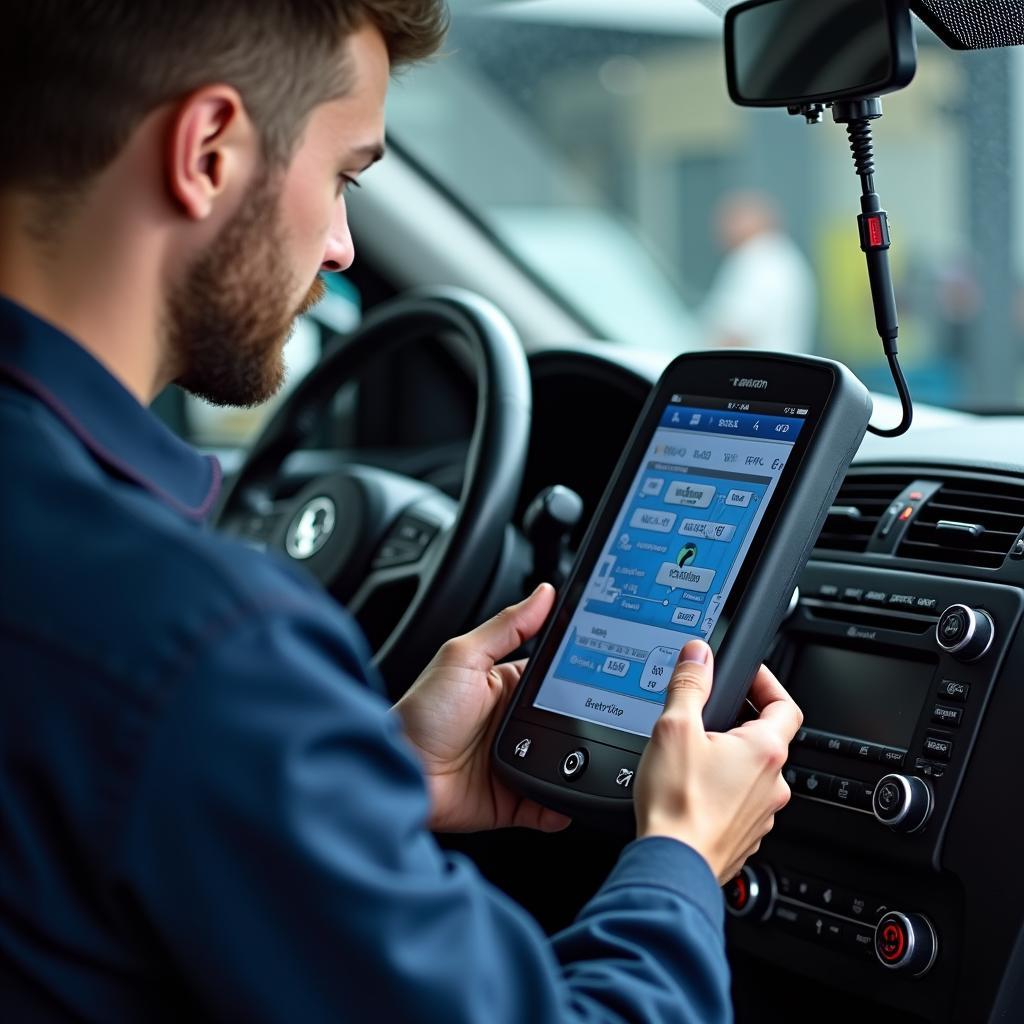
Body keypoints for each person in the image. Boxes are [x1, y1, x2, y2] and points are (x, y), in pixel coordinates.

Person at [0, 4, 802, 1021]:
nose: (341, 247)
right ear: (206, 152)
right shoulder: (201, 645)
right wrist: (680, 856)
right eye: (344, 176)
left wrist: (358, 774)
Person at [702, 190, 817, 354]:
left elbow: (735, 331)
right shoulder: (787, 257)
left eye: (732, 219)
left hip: (748, 374)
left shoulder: (753, 259)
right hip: (782, 369)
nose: (720, 229)